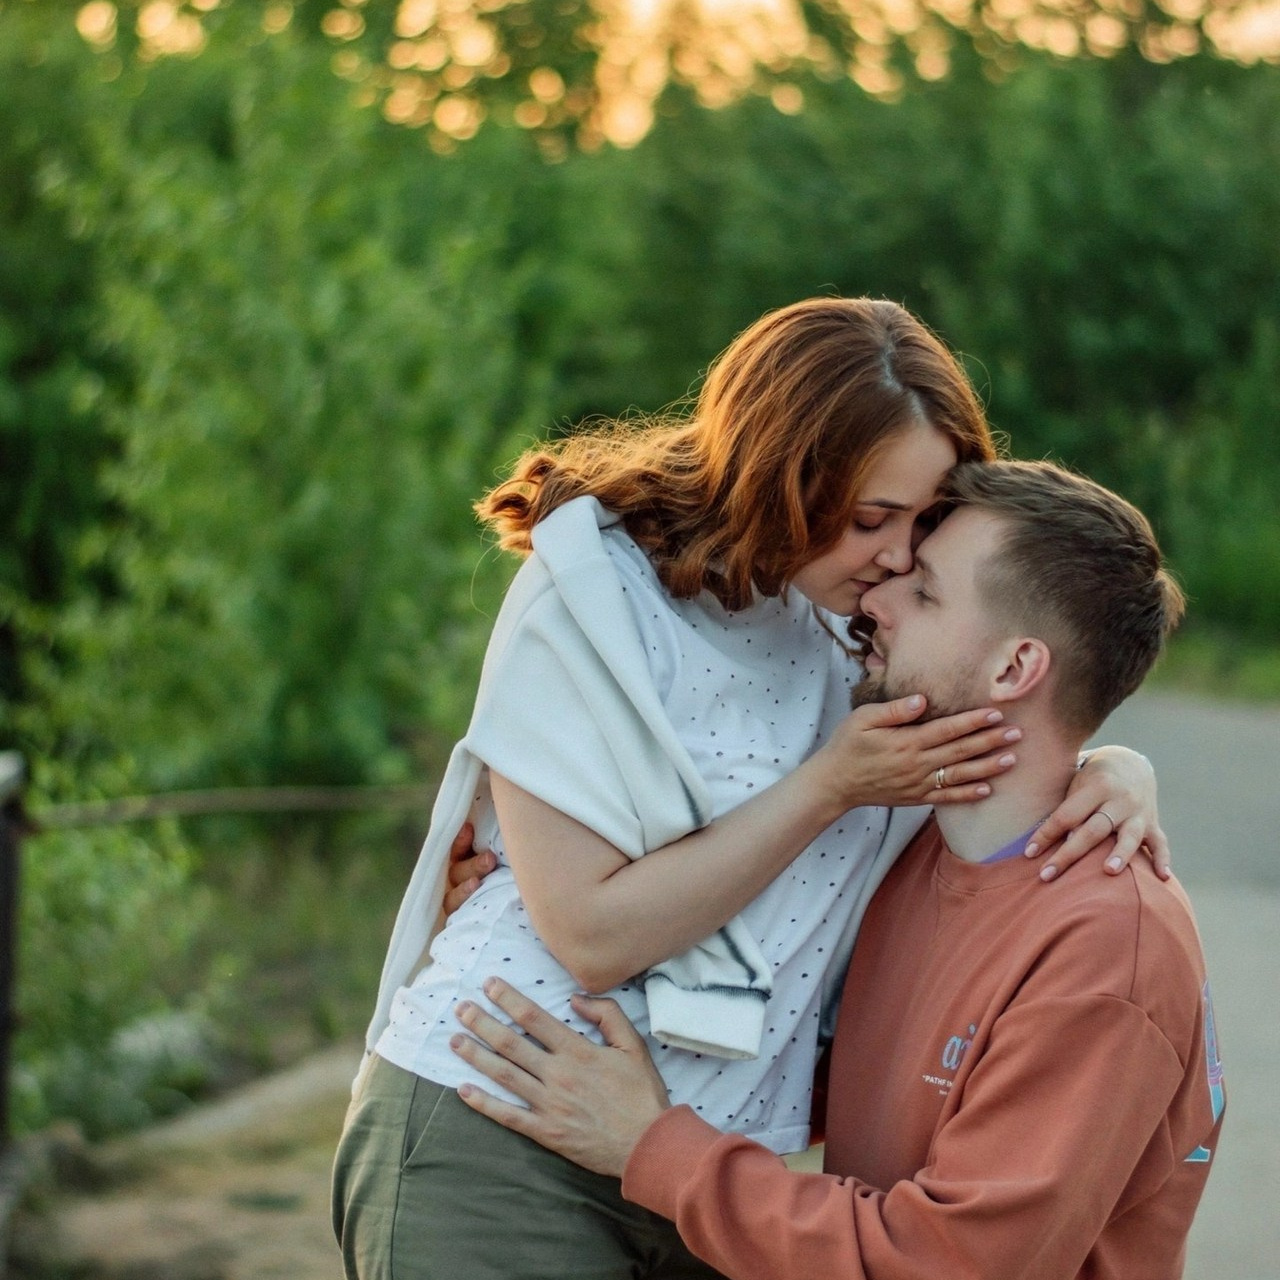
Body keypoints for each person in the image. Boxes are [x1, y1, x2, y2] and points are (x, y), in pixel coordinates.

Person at [332, 299, 1162, 1280]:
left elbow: (1023, 715)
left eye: (920, 521)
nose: (896, 554)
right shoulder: (598, 591)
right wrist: (827, 787)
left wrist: (1115, 768)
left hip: (710, 1170)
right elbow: (589, 931)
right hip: (508, 1113)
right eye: (868, 518)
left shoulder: (868, 615)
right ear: (780, 477)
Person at [449, 459, 1225, 1280]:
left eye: (923, 592)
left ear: (1013, 671)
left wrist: (652, 1145)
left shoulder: (1105, 953)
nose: (876, 601)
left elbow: (948, 1264)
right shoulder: (915, 853)